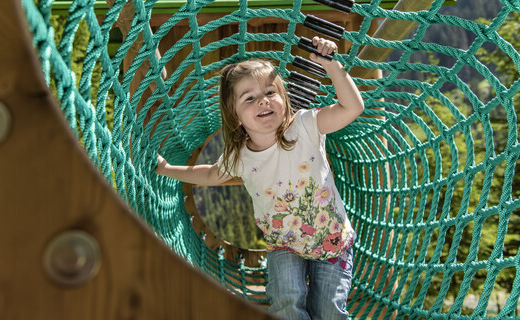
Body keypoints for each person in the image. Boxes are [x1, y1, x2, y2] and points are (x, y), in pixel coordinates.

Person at [156, 36, 364, 320]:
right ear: (236, 115)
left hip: (331, 240)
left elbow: (352, 108)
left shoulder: (305, 125)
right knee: (286, 303)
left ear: (284, 98)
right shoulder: (240, 156)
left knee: (328, 311)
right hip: (283, 244)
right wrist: (167, 168)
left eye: (270, 92)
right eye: (250, 98)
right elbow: (210, 173)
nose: (263, 100)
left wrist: (333, 68)